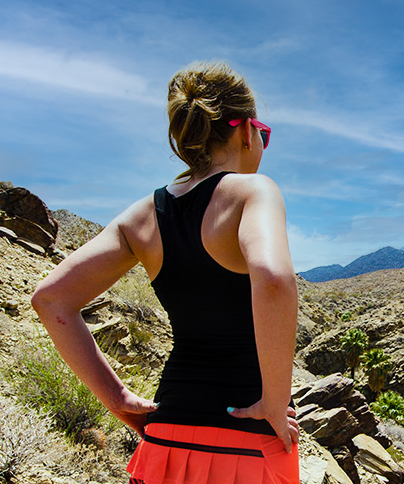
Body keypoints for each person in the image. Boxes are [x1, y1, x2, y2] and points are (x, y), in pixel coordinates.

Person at [31, 62, 300, 483]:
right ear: (246, 130)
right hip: (246, 442)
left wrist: (118, 398)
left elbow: (50, 299)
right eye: (264, 134)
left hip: (164, 440)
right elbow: (274, 278)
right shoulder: (253, 191)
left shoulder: (142, 215)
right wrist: (272, 401)